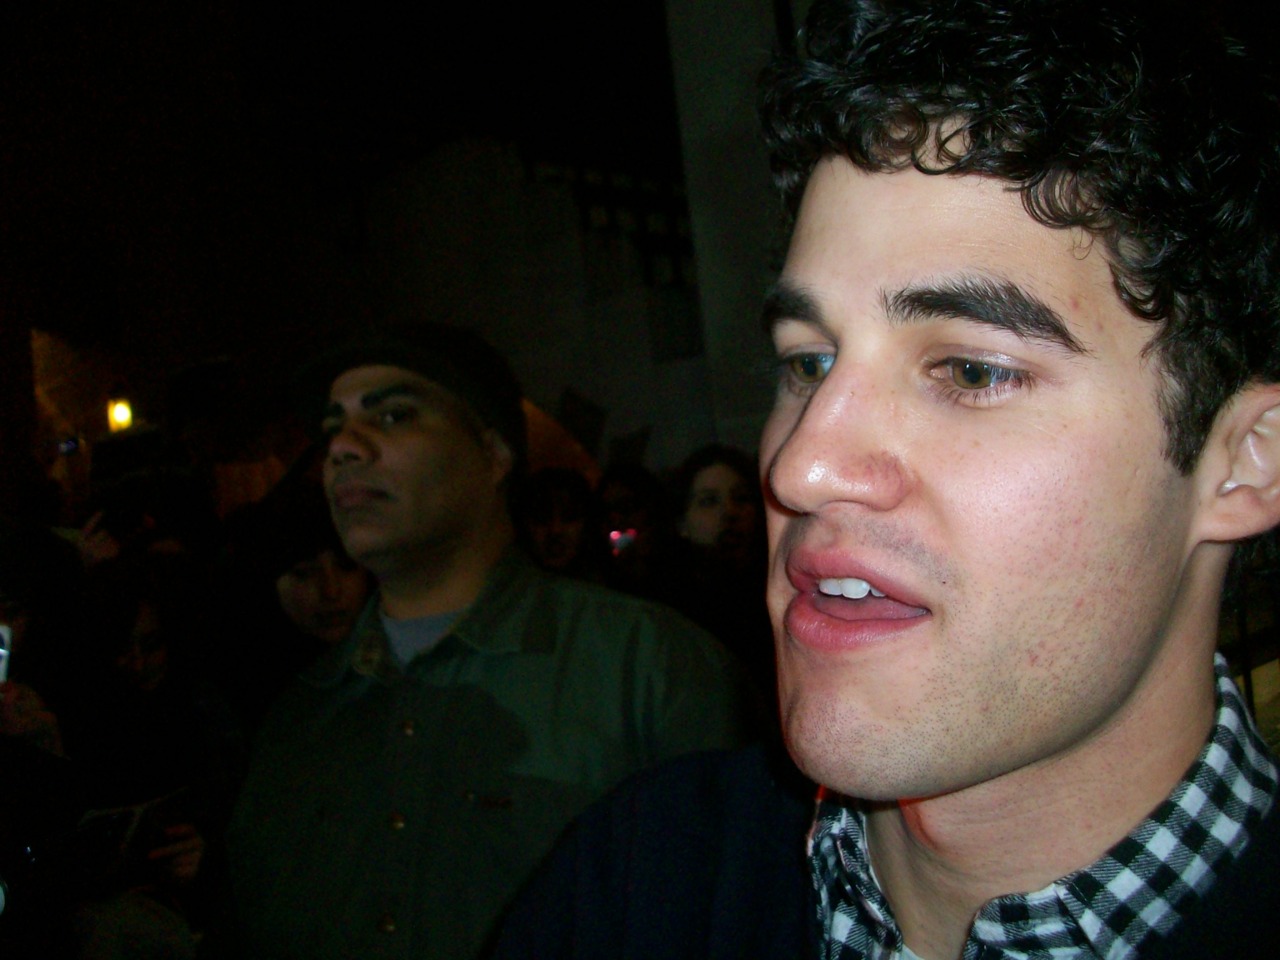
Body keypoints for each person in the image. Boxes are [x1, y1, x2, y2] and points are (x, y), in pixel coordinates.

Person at [491, 1, 1280, 957]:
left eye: (971, 371)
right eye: (808, 361)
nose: (801, 465)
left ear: (1248, 459)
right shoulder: (633, 884)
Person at [226, 324, 759, 960]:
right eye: (331, 429)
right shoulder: (301, 716)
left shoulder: (651, 668)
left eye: (392, 416)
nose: (343, 447)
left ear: (493, 452)